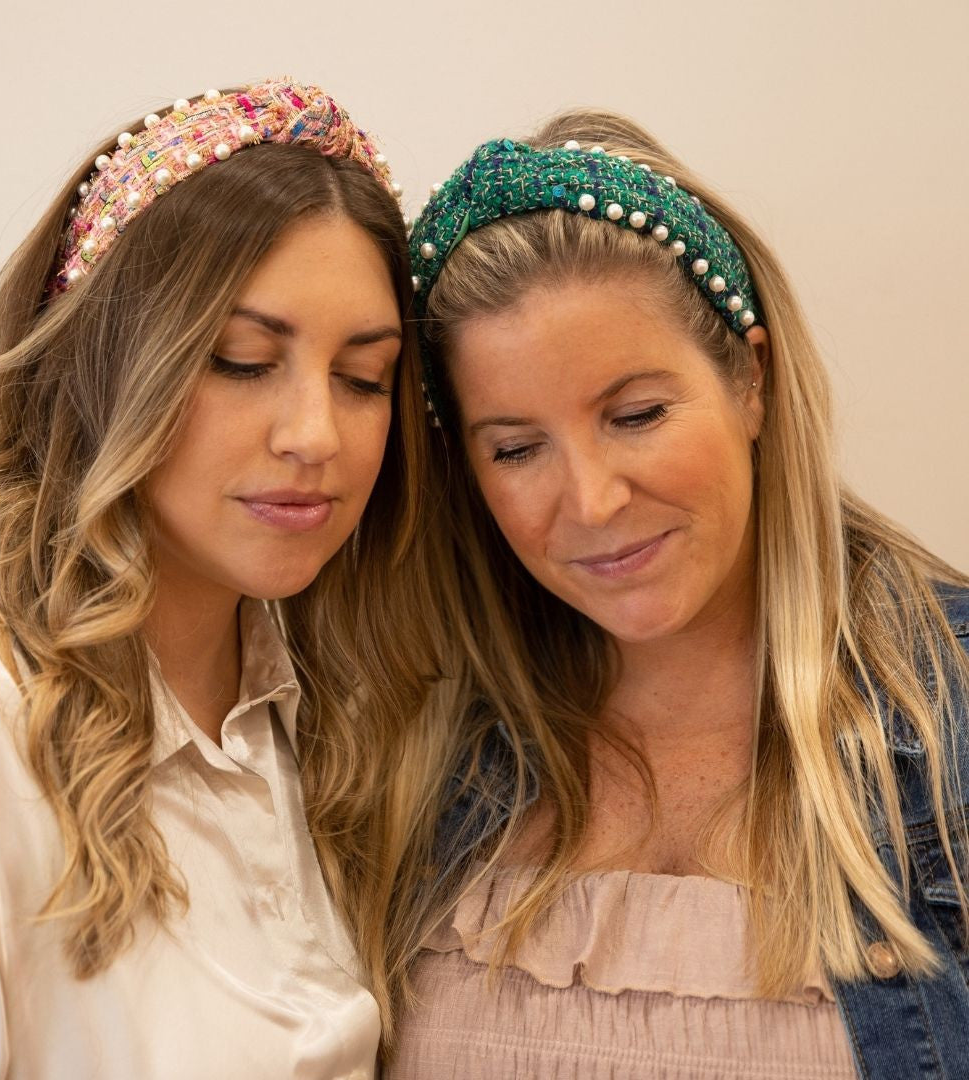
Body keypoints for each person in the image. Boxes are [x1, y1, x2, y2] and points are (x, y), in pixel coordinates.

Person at [341, 112, 969, 1077]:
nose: (592, 501)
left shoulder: (949, 709)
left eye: (636, 415)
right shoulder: (403, 749)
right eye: (516, 448)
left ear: (750, 378)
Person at [0, 78, 431, 1079]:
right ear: (108, 364)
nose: (316, 435)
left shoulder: (340, 715)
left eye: (364, 379)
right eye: (242, 360)